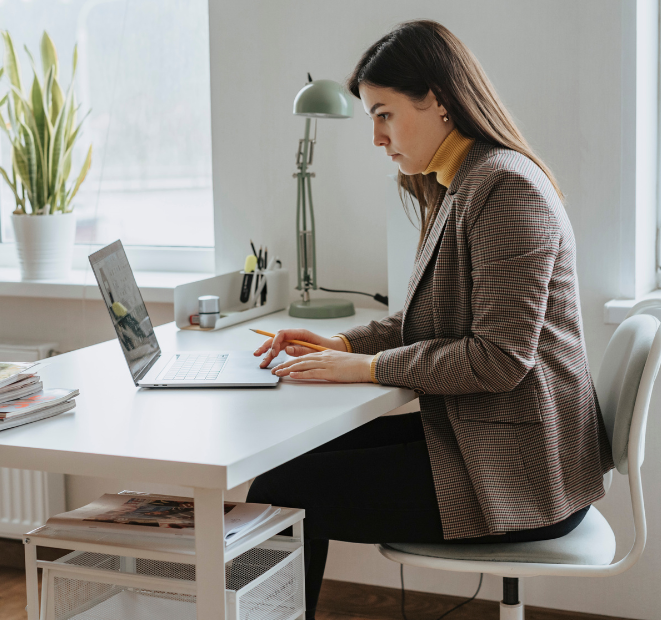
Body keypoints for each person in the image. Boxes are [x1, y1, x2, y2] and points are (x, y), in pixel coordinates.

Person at [248, 20, 614, 618]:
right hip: (487, 441)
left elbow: (497, 360)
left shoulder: (505, 188)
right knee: (284, 468)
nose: (375, 136)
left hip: (521, 472)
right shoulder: (458, 183)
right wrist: (341, 342)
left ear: (438, 101)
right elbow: (431, 317)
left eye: (384, 113)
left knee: (281, 492)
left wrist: (366, 368)